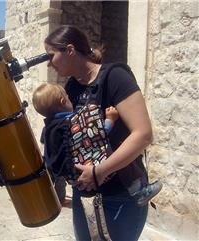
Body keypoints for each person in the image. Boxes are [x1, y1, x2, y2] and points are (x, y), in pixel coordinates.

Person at [43, 25, 161, 241]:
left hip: (121, 195)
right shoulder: (71, 87)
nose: (49, 63)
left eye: (51, 56)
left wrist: (99, 171)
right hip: (86, 195)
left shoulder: (114, 77)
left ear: (69, 50)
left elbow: (143, 134)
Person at [33, 83, 161, 207]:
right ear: (62, 101)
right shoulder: (73, 122)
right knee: (122, 151)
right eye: (67, 97)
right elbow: (99, 132)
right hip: (92, 170)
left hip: (75, 177)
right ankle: (139, 191)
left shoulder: (50, 130)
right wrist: (110, 119)